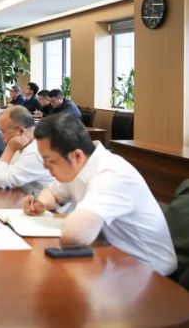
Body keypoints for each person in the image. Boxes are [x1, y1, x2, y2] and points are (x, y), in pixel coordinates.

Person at [24, 114, 177, 276]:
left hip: (150, 272)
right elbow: (52, 192)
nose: (45, 167)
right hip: (114, 260)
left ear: (76, 156)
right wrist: (40, 203)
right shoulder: (79, 165)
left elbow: (75, 235)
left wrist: (72, 221)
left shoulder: (111, 174)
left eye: (49, 161)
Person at [0, 106, 55, 190]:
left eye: (3, 131)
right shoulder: (26, 142)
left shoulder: (35, 152)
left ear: (21, 130)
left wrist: (9, 149)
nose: (1, 136)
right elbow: (9, 167)